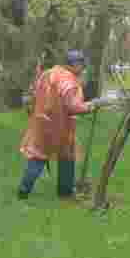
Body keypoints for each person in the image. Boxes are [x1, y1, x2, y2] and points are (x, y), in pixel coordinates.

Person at [18, 50, 96, 198]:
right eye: (81, 65)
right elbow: (73, 107)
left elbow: (32, 96)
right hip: (61, 127)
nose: (83, 69)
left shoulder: (48, 74)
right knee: (67, 156)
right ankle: (65, 192)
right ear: (75, 64)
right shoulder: (70, 81)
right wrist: (92, 105)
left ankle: (24, 189)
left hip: (41, 123)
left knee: (38, 156)